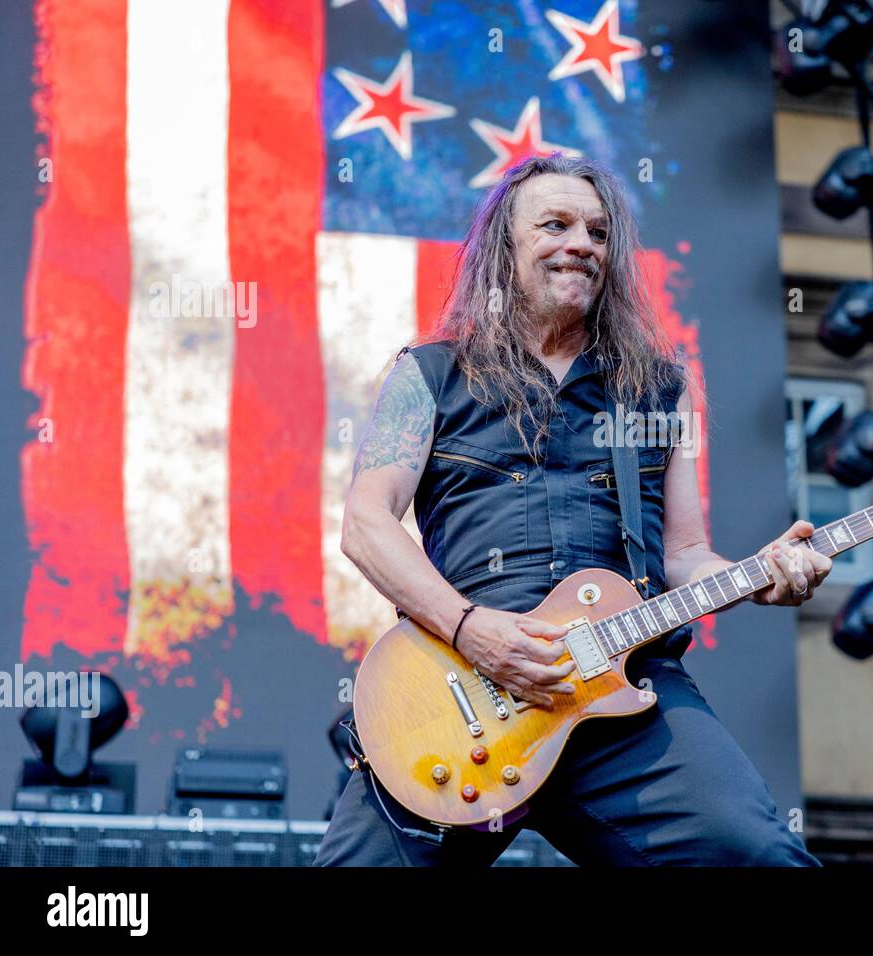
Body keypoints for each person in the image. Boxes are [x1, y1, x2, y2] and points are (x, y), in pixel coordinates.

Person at [314, 153, 831, 867]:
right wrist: (471, 630)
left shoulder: (661, 390)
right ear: (505, 248)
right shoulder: (430, 375)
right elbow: (366, 524)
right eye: (554, 224)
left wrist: (762, 572)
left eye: (596, 230)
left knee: (761, 857)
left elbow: (684, 558)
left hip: (626, 693)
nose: (581, 243)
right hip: (462, 691)